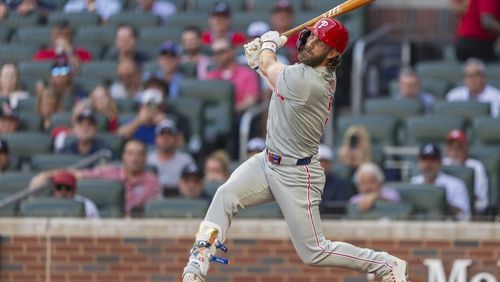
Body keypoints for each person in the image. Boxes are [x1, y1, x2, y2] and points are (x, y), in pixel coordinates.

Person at [182, 18, 408, 282]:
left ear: (333, 53)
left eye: (320, 42)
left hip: (298, 174)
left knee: (314, 252)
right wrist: (259, 62)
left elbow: (272, 67)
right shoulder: (301, 74)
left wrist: (266, 46)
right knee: (225, 194)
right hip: (268, 161)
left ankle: (385, 263)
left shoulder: (311, 80)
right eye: (311, 36)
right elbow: (277, 82)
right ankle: (198, 263)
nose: (311, 43)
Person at [67, 139, 159, 216]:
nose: (135, 158)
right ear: (124, 156)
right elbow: (79, 174)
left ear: (145, 158)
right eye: (130, 154)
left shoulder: (152, 180)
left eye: (139, 154)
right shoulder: (111, 172)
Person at [411, 143, 471, 221]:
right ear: (419, 162)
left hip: (447, 228)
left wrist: (442, 204)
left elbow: (465, 216)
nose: (428, 164)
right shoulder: (414, 183)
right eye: (424, 159)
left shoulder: (456, 185)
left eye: (433, 159)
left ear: (440, 162)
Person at [206, 38, 259, 115]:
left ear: (232, 51)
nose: (217, 56)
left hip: (238, 117)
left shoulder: (247, 74)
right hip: (214, 116)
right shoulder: (210, 75)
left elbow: (250, 101)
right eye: (214, 53)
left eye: (221, 52)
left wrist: (229, 110)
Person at [443, 129, 489, 214]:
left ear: (466, 149)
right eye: (451, 147)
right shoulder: (442, 164)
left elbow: (481, 201)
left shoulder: (476, 167)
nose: (454, 151)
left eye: (459, 147)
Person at [147, 119, 194, 195]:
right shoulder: (147, 159)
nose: (166, 138)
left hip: (178, 198)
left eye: (169, 135)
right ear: (156, 139)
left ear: (176, 139)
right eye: (162, 135)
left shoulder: (186, 160)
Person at [29, 170, 100, 218]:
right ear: (54, 190)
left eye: (68, 187)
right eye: (59, 187)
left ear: (74, 190)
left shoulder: (87, 205)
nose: (63, 191)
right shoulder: (47, 205)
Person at [318, 144, 352, 213]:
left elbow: (340, 207)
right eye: (319, 161)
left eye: (325, 162)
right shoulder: (303, 182)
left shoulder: (340, 184)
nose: (322, 165)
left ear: (330, 164)